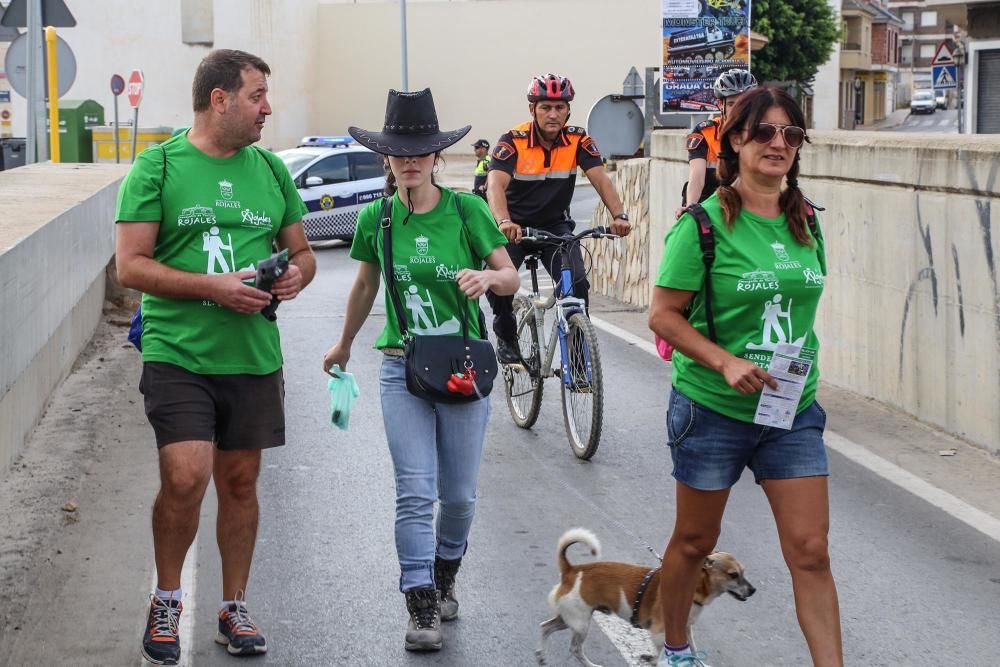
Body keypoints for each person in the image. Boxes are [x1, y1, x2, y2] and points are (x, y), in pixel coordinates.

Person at [115, 49, 315, 665]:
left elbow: (302, 253)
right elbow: (130, 267)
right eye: (257, 95)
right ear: (220, 99)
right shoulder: (158, 166)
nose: (268, 108)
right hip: (178, 350)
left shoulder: (270, 171)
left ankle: (233, 607)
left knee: (240, 481)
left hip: (252, 354)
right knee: (185, 475)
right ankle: (167, 599)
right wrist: (215, 287)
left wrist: (294, 279)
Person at [649, 86, 843, 667]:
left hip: (791, 409)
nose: (777, 144)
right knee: (694, 543)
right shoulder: (703, 226)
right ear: (736, 141)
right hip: (712, 408)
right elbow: (662, 315)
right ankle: (678, 649)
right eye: (764, 132)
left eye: (791, 134)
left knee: (811, 553)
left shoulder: (805, 220)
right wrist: (725, 361)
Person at [322, 88, 519, 652]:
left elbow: (511, 278)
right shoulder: (377, 219)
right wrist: (342, 345)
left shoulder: (468, 211)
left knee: (457, 496)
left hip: (461, 367)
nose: (411, 161)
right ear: (387, 159)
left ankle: (446, 568)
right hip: (399, 367)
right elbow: (365, 284)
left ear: (437, 158)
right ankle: (420, 600)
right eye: (400, 153)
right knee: (415, 490)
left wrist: (487, 279)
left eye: (422, 152)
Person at [485, 73, 632, 363]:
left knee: (576, 284)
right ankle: (506, 334)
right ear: (532, 109)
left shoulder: (578, 140)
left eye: (560, 107)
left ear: (568, 110)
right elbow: (494, 186)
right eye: (545, 107)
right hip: (514, 228)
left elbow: (602, 181)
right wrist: (504, 221)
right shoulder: (512, 142)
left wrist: (620, 215)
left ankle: (578, 356)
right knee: (499, 282)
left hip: (555, 228)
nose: (553, 114)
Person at [675, 69, 758, 219]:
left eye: (744, 104)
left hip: (748, 203)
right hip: (708, 201)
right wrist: (690, 206)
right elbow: (697, 176)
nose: (738, 110)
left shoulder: (763, 132)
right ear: (721, 104)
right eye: (732, 104)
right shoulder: (705, 132)